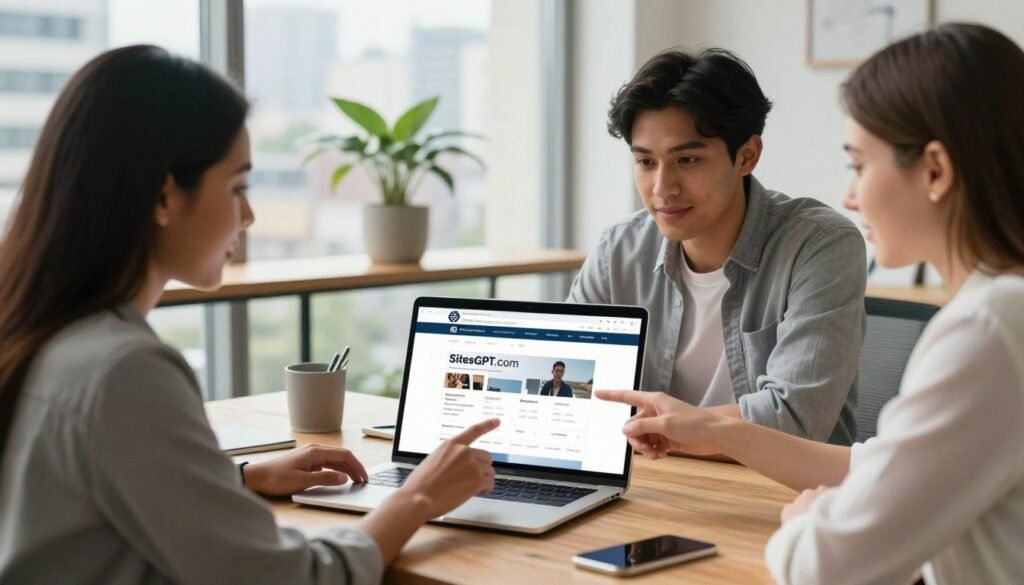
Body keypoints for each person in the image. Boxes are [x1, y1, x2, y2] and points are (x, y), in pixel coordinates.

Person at [0, 45, 499, 585]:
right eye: (238, 186)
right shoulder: (125, 370)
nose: (250, 215)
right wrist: (418, 496)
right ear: (164, 196)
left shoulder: (40, 330)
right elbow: (296, 578)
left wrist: (235, 479)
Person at [597, 22, 1024, 584]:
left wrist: (808, 518)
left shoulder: (988, 329)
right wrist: (714, 430)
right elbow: (879, 462)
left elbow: (821, 568)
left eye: (858, 165)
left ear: (936, 171)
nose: (850, 194)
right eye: (645, 161)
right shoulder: (999, 313)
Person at [569, 48, 865, 445]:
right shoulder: (617, 251)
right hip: (658, 485)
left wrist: (659, 429)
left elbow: (795, 420)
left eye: (687, 160)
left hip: (783, 495)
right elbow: (575, 394)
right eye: (645, 162)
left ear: (747, 156)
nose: (662, 189)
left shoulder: (819, 247)